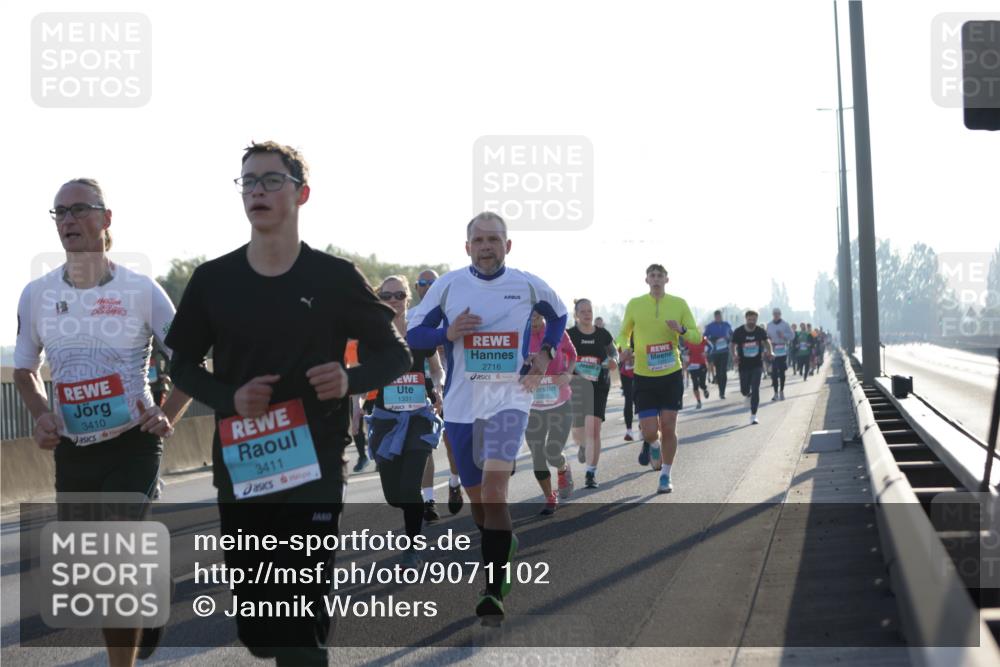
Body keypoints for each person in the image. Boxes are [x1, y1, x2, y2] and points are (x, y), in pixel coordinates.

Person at [166, 142, 410, 666]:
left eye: (271, 180)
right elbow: (179, 366)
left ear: (301, 193)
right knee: (260, 629)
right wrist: (230, 396)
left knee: (300, 622)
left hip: (315, 463)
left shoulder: (334, 277)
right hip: (243, 465)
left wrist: (349, 379)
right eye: (248, 181)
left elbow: (395, 354)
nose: (257, 190)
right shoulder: (213, 281)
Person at [14, 177, 191, 666]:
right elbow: (25, 370)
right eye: (59, 213)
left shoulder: (141, 289)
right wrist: (42, 415)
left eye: (79, 210)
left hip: (132, 440)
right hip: (74, 446)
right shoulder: (37, 294)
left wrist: (167, 412)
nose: (68, 220)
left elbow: (190, 362)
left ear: (106, 219)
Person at [407, 211, 567, 624]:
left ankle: (493, 589)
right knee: (480, 504)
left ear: (507, 245)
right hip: (462, 406)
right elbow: (414, 335)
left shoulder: (527, 284)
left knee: (495, 492)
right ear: (467, 247)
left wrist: (545, 354)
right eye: (478, 240)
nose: (486, 247)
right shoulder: (448, 286)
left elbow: (559, 314)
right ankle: (503, 545)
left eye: (494, 239)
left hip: (510, 399)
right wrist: (447, 333)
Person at [364, 276, 442, 568]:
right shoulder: (373, 336)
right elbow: (363, 375)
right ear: (380, 298)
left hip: (419, 416)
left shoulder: (420, 332)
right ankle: (414, 509)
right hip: (385, 419)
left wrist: (439, 389)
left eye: (399, 294)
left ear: (409, 297)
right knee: (395, 496)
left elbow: (436, 370)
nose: (394, 300)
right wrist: (358, 405)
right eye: (388, 295)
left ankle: (413, 548)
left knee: (410, 487)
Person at [616, 264, 700, 494]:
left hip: (671, 373)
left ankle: (665, 475)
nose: (656, 279)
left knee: (669, 425)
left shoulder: (679, 303)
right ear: (646, 280)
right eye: (652, 276)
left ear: (666, 280)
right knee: (650, 430)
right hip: (644, 375)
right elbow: (623, 333)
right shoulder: (635, 304)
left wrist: (681, 329)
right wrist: (624, 347)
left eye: (659, 276)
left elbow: (696, 335)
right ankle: (653, 444)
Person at [410, 268, 464, 518]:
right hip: (420, 390)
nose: (428, 286)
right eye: (423, 282)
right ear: (416, 287)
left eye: (433, 282)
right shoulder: (411, 318)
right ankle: (428, 500)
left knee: (451, 444)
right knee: (424, 447)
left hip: (456, 386)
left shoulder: (453, 314)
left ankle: (454, 483)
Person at [525, 311, 577, 514]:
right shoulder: (521, 334)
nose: (535, 321)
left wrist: (568, 373)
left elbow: (573, 355)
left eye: (538, 316)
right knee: (538, 455)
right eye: (531, 317)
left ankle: (563, 468)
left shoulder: (557, 332)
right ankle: (549, 497)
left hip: (560, 403)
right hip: (532, 407)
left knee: (553, 452)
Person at [568, 298, 617, 489]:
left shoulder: (603, 334)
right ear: (576, 315)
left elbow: (614, 353)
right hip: (576, 387)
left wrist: (614, 360)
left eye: (589, 311)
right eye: (583, 311)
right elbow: (559, 355)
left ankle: (591, 472)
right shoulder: (569, 335)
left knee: (594, 429)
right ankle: (582, 446)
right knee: (579, 432)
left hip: (599, 386)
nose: (587, 314)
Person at [731, 310, 772, 425]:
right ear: (746, 319)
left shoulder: (760, 331)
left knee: (755, 389)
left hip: (756, 364)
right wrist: (734, 355)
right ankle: (747, 394)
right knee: (744, 390)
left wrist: (770, 351)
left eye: (754, 320)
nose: (752, 322)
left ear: (756, 320)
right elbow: (733, 344)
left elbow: (766, 341)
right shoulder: (739, 332)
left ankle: (753, 415)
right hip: (743, 364)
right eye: (749, 319)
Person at [704, 310, 733, 399]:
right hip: (715, 352)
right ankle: (719, 384)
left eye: (720, 316)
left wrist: (728, 339)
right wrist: (712, 338)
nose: (718, 318)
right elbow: (704, 337)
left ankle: (722, 392)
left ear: (721, 316)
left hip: (724, 351)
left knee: (723, 371)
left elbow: (732, 335)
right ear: (715, 317)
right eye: (717, 317)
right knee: (718, 371)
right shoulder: (710, 326)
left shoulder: (726, 325)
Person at [766, 308, 793, 400]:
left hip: (782, 349)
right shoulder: (769, 325)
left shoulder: (785, 324)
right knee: (773, 372)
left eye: (778, 314)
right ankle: (775, 393)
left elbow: (792, 336)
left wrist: (784, 335)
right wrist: (768, 339)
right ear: (772, 315)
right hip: (773, 349)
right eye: (774, 314)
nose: (776, 315)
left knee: (781, 372)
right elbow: (766, 337)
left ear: (780, 314)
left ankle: (781, 391)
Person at [685, 335, 710, 409]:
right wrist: (687, 353)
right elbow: (684, 352)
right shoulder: (687, 341)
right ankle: (699, 402)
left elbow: (711, 347)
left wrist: (706, 353)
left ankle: (704, 389)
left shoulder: (702, 339)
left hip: (702, 364)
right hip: (692, 366)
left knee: (702, 384)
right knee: (695, 384)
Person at [619, 339, 636, 441]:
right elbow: (619, 358)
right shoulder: (623, 338)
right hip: (626, 374)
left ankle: (642, 427)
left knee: (640, 399)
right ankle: (629, 431)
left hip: (641, 372)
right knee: (628, 401)